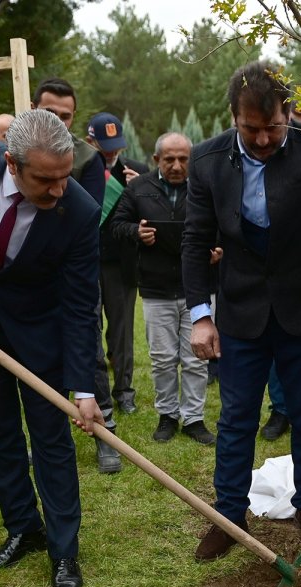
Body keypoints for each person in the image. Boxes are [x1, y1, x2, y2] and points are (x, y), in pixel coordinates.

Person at [181, 61, 301, 560]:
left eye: (273, 127)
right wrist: (201, 314)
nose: (263, 139)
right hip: (242, 312)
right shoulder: (206, 161)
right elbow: (196, 240)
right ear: (233, 118)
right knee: (237, 417)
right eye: (251, 129)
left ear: (290, 112)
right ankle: (228, 513)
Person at [0, 109, 101, 587]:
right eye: (45, 180)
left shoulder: (80, 211)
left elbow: (79, 305)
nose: (58, 190)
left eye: (64, 177)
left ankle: (63, 550)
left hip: (40, 331)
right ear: (11, 163)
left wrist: (86, 386)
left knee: (50, 437)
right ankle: (22, 528)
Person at [33, 77, 121, 473]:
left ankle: (107, 433)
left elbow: (83, 216)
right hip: (29, 276)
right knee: (40, 356)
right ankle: (50, 435)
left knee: (90, 352)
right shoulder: (16, 150)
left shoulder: (86, 157)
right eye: (50, 113)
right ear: (34, 109)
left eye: (65, 116)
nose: (58, 121)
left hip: (73, 270)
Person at [110, 131, 216, 444]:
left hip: (196, 288)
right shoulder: (138, 188)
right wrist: (135, 231)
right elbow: (116, 224)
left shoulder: (204, 187)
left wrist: (219, 248)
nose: (176, 165)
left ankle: (194, 419)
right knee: (162, 358)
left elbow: (224, 224)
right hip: (156, 288)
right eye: (169, 159)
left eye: (183, 159)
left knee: (196, 358)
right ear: (156, 160)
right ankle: (167, 415)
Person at [88, 112, 148, 416]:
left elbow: (150, 213)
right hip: (87, 261)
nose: (111, 151)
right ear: (91, 141)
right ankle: (94, 388)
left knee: (122, 330)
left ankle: (124, 390)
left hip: (121, 264)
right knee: (90, 326)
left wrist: (142, 190)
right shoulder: (80, 170)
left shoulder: (138, 172)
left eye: (116, 145)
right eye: (105, 144)